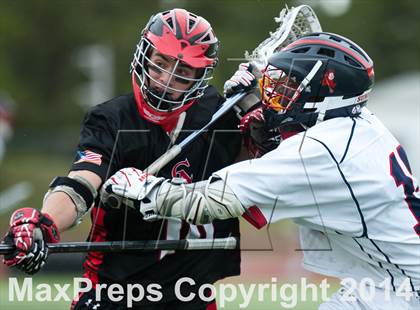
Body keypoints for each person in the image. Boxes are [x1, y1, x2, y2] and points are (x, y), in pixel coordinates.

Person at [104, 32, 420, 309]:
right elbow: (292, 160)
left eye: (291, 85)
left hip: (404, 289)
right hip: (384, 279)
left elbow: (211, 201)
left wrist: (144, 190)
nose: (278, 92)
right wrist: (256, 104)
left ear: (323, 93)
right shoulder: (358, 125)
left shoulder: (320, 150)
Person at [2, 8, 244, 309]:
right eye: (159, 64)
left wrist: (259, 113)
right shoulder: (112, 119)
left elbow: (266, 169)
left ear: (199, 78)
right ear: (143, 58)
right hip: (114, 292)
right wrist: (45, 221)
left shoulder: (218, 117)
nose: (165, 81)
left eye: (182, 73)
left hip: (189, 295)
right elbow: (82, 182)